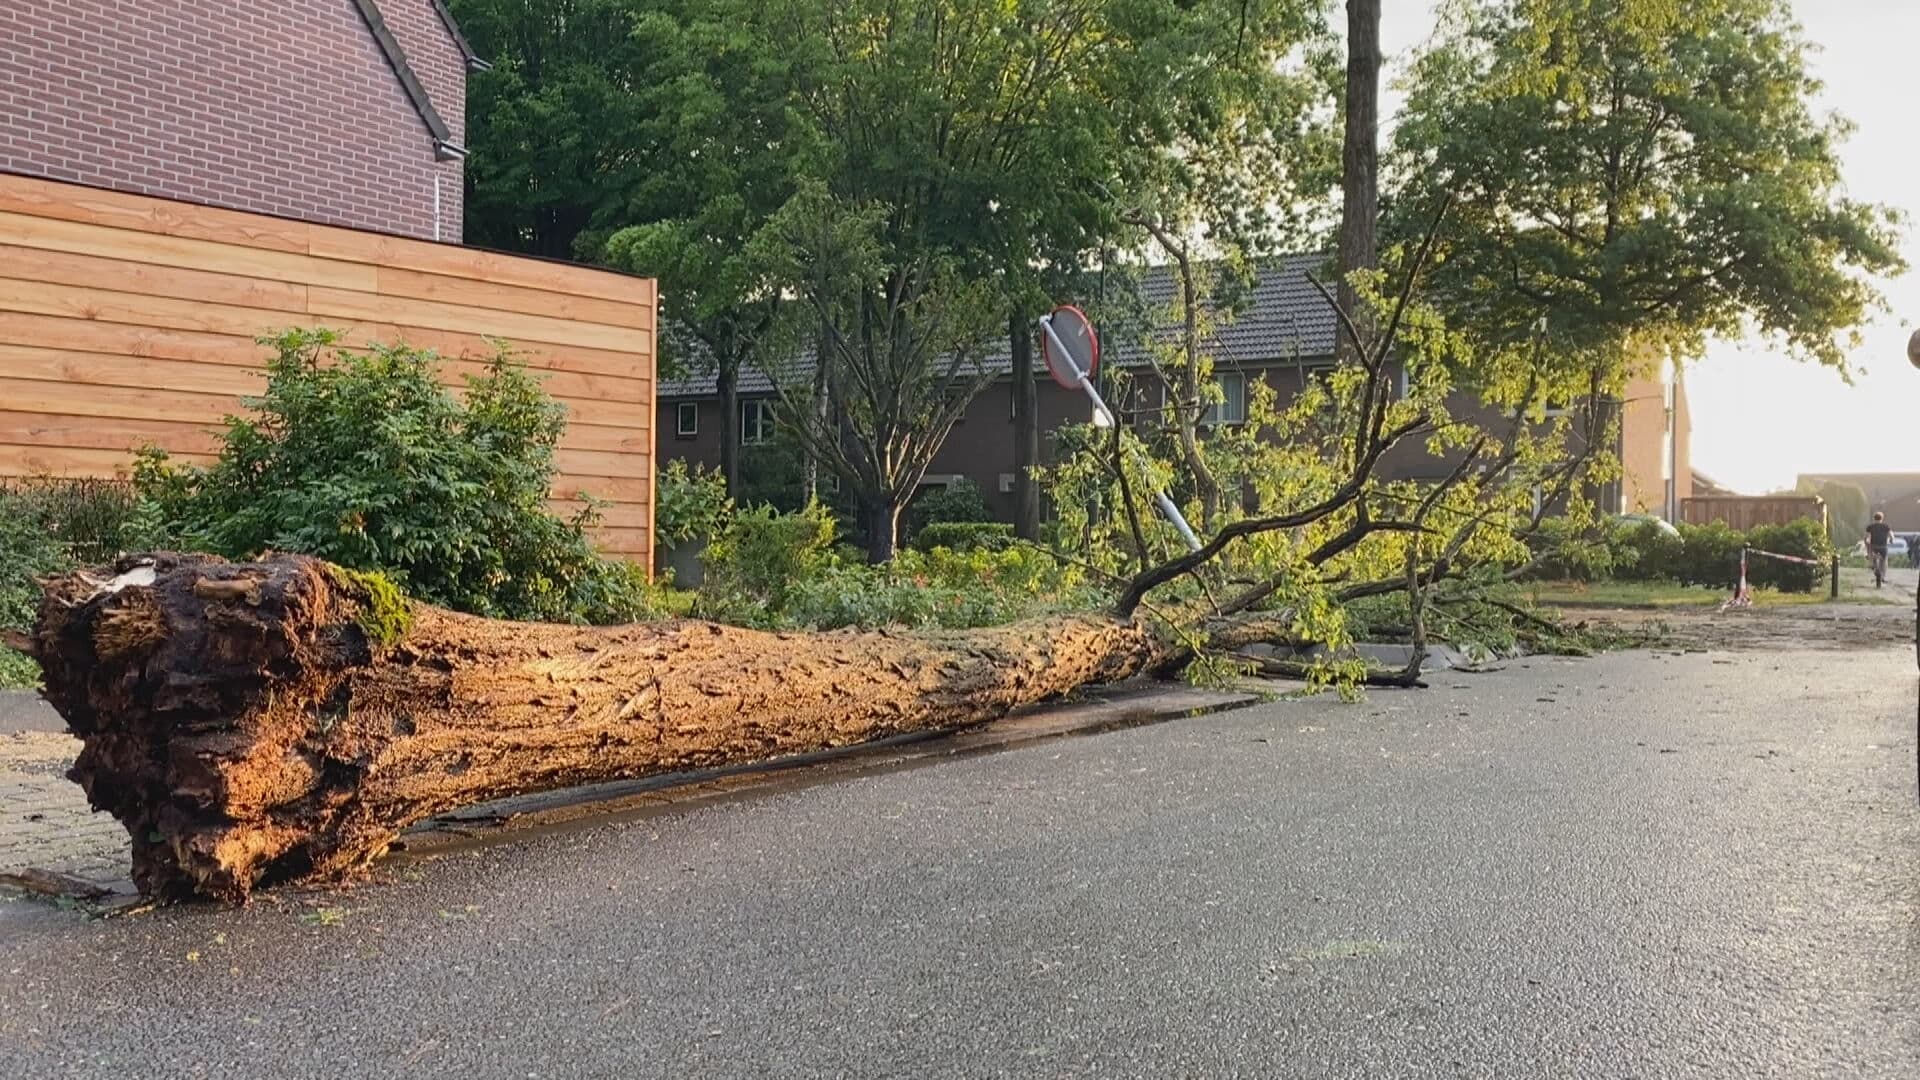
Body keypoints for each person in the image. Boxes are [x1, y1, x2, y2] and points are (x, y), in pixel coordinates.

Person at [1865, 511, 1893, 587]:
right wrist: (1891, 540)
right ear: (1882, 518)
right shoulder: (1886, 526)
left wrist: (1867, 543)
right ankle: (1883, 577)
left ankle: (1872, 564)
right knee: (1884, 561)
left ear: (1874, 518)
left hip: (1874, 546)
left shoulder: (1870, 527)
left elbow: (1867, 537)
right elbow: (1891, 535)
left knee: (1871, 554)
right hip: (1883, 546)